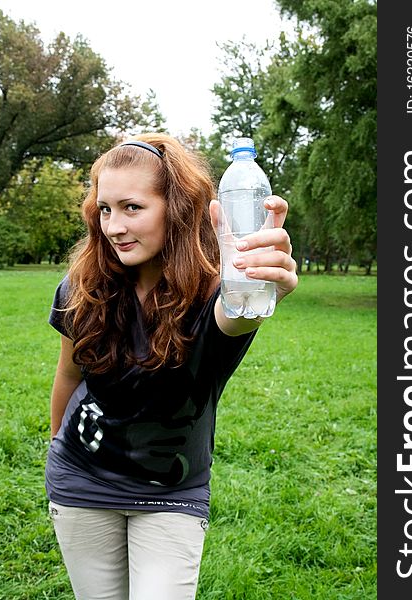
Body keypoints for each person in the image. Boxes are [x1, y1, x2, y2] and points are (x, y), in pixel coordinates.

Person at [46, 132, 298, 600]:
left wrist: (262, 282)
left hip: (171, 493)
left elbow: (237, 313)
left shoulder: (215, 293)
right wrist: (59, 444)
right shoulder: (82, 287)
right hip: (80, 483)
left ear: (176, 208)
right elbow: (68, 375)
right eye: (105, 209)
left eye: (132, 208)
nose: (114, 226)